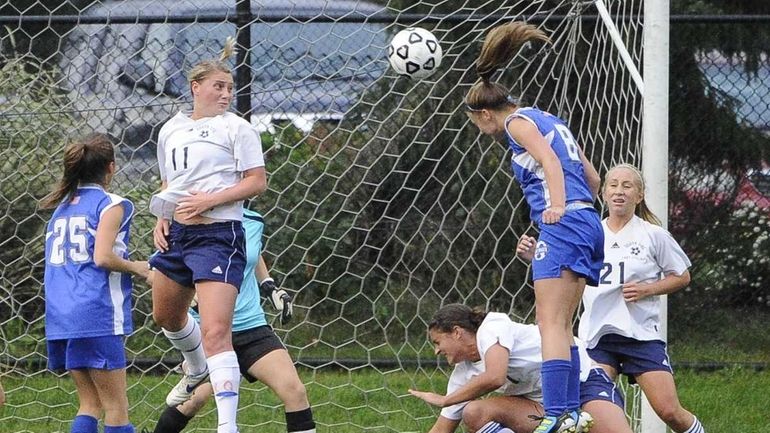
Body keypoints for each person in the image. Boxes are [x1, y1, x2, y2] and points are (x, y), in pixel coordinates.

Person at [463, 21, 603, 433]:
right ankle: (572, 412)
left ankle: (559, 415)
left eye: (477, 123)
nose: (480, 130)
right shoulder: (549, 118)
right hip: (588, 221)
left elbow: (552, 163)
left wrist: (556, 208)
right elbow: (591, 178)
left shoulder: (516, 124)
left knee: (549, 324)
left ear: (485, 113)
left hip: (564, 223)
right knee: (562, 323)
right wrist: (575, 207)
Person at [148, 36, 267, 433]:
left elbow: (256, 182)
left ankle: (226, 426)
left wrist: (210, 201)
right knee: (166, 315)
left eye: (230, 88)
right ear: (195, 87)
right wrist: (163, 216)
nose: (226, 93)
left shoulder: (238, 128)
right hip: (178, 235)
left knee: (216, 331)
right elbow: (170, 182)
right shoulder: (170, 130)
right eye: (219, 86)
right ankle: (196, 367)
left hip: (219, 236)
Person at [147, 208, 315, 433]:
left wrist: (269, 286)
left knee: (294, 391)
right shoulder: (189, 221)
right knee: (192, 401)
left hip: (250, 326)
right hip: (209, 330)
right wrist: (194, 295)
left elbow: (252, 253)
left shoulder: (254, 221)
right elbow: (164, 273)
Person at [577, 163, 704, 433]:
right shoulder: (590, 234)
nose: (619, 191)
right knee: (595, 413)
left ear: (640, 194)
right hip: (598, 336)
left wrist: (649, 289)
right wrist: (532, 256)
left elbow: (681, 276)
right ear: (604, 194)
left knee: (669, 412)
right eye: (613, 185)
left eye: (627, 186)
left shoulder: (653, 235)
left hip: (641, 335)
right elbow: (567, 271)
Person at [41, 133, 149, 433]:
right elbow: (102, 257)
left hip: (62, 314)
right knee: (116, 409)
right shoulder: (111, 204)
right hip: (96, 311)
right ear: (111, 168)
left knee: (90, 404)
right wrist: (138, 268)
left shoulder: (63, 206)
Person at [407, 304, 632, 433]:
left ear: (457, 332)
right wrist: (451, 401)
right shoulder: (464, 374)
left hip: (583, 384)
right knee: (474, 412)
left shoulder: (492, 325)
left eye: (437, 342)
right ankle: (561, 422)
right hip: (543, 409)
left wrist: (446, 400)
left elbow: (495, 376)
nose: (437, 351)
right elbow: (441, 429)